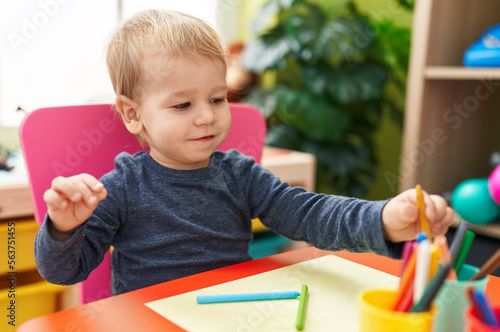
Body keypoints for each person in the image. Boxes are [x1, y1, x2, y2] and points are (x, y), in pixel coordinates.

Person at [35, 9, 454, 295]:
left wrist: (382, 218)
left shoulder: (240, 174)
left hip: (232, 310)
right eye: (183, 105)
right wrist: (63, 229)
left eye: (217, 99)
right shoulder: (121, 188)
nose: (206, 118)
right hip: (149, 317)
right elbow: (62, 271)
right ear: (133, 115)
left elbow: (309, 214)